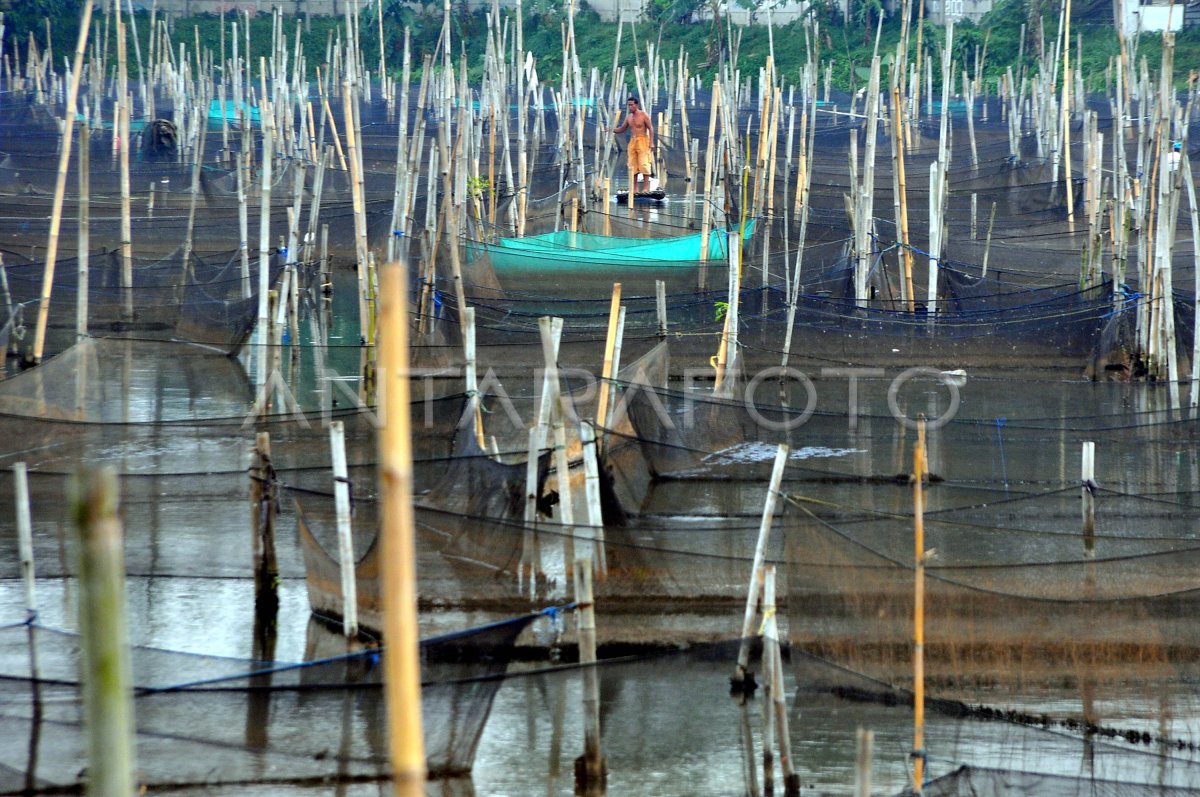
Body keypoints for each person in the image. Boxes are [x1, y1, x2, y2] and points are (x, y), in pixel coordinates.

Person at [612, 96, 655, 191]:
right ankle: (634, 189)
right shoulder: (629, 117)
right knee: (632, 165)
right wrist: (612, 129)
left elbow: (651, 128)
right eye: (629, 105)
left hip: (643, 140)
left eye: (631, 105)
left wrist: (651, 142)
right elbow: (622, 129)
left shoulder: (644, 115)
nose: (630, 107)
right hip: (633, 142)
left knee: (644, 164)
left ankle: (645, 189)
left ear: (636, 105)